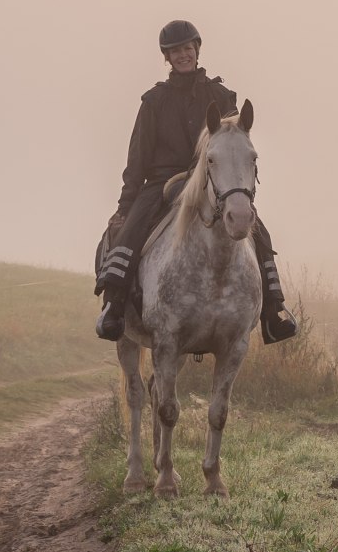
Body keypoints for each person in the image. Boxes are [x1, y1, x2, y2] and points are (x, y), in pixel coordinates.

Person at [94, 20, 297, 344]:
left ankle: (274, 311)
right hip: (163, 182)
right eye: (176, 51)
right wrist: (126, 204)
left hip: (213, 181)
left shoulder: (220, 94)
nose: (183, 55)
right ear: (167, 57)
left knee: (258, 232)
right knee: (130, 230)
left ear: (197, 50)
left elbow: (233, 141)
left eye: (188, 49)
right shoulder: (154, 101)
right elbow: (138, 158)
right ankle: (114, 309)